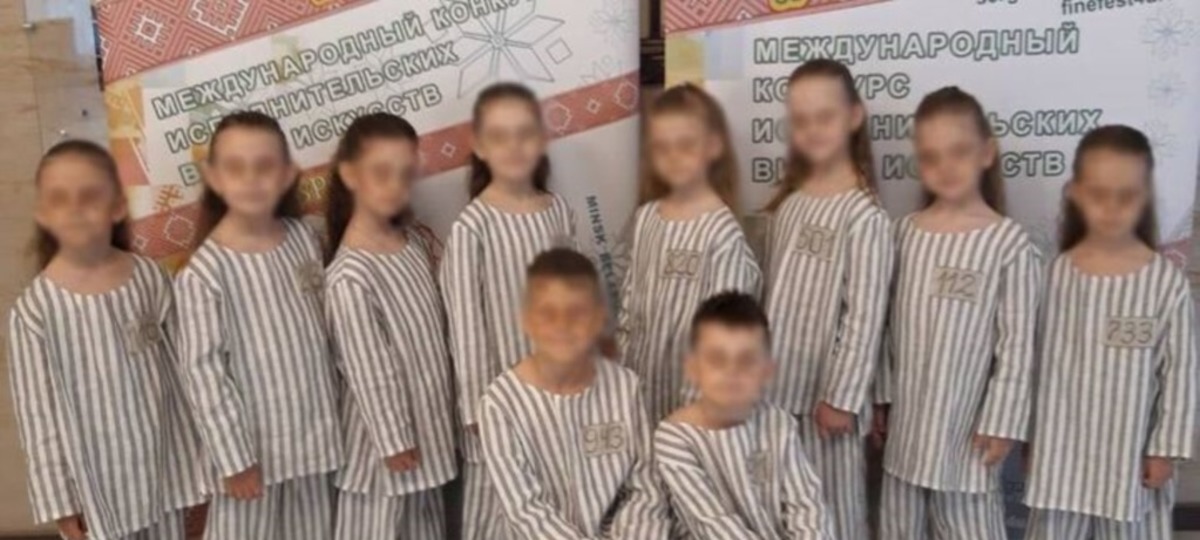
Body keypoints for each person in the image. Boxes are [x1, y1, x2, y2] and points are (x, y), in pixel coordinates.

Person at [8, 140, 207, 540]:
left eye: (89, 196)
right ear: (43, 213)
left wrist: (204, 473)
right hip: (98, 494)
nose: (75, 210)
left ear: (117, 206)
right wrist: (61, 505)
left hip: (171, 476)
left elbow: (188, 373)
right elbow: (37, 416)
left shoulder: (149, 278)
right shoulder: (35, 312)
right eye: (60, 199)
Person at [875, 87, 1041, 539]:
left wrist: (1003, 421)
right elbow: (883, 325)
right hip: (906, 436)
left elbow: (1018, 345)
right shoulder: (903, 234)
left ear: (986, 152)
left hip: (969, 441)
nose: (945, 167)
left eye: (959, 152)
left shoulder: (1008, 243)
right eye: (931, 157)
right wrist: (881, 397)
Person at [174, 111, 341, 539]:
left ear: (287, 174)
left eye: (264, 166)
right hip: (251, 458)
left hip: (314, 443)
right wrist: (234, 460)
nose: (251, 179)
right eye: (235, 167)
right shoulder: (205, 273)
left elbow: (326, 336)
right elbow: (203, 374)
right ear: (214, 177)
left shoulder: (303, 239)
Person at [1023, 125, 1196, 540]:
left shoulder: (1164, 283)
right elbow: (1032, 364)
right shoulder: (1054, 276)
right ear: (1076, 194)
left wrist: (1165, 450)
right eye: (1099, 194)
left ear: (1145, 197)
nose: (1112, 208)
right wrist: (1029, 438)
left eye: (1127, 195)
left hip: (1131, 465)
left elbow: (1180, 376)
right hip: (1059, 460)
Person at [760, 58, 893, 540]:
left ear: (853, 116)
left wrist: (841, 397)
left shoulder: (864, 215)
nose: (812, 129)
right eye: (801, 120)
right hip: (775, 395)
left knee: (834, 515)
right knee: (782, 511)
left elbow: (866, 316)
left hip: (826, 406)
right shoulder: (790, 204)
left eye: (825, 117)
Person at [440, 82, 578, 540]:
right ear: (480, 146)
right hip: (500, 396)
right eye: (500, 136)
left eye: (524, 134)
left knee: (553, 501)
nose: (514, 147)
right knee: (498, 509)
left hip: (559, 388)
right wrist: (477, 407)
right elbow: (465, 323)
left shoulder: (558, 210)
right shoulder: (473, 226)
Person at [324, 113, 457, 539]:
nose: (395, 186)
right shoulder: (350, 276)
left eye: (405, 173)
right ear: (350, 175)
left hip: (427, 434)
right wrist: (394, 439)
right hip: (381, 454)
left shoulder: (412, 245)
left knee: (425, 528)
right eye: (381, 173)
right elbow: (368, 368)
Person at [480, 248, 672, 539]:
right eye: (548, 314)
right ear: (527, 319)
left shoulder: (626, 387)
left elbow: (645, 488)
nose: (563, 326)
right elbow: (526, 511)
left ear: (598, 318)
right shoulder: (500, 405)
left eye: (577, 313)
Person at [616, 83, 761, 423]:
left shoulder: (721, 233)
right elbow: (629, 305)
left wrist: (698, 413)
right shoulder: (646, 218)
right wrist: (621, 379)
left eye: (685, 145)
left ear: (713, 146)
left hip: (695, 409)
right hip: (640, 399)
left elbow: (724, 335)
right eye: (661, 147)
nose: (673, 157)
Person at [655, 291, 831, 539]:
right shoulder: (675, 437)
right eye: (717, 360)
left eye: (746, 361)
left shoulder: (779, 424)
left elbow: (807, 507)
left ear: (766, 370)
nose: (732, 373)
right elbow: (712, 523)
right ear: (693, 367)